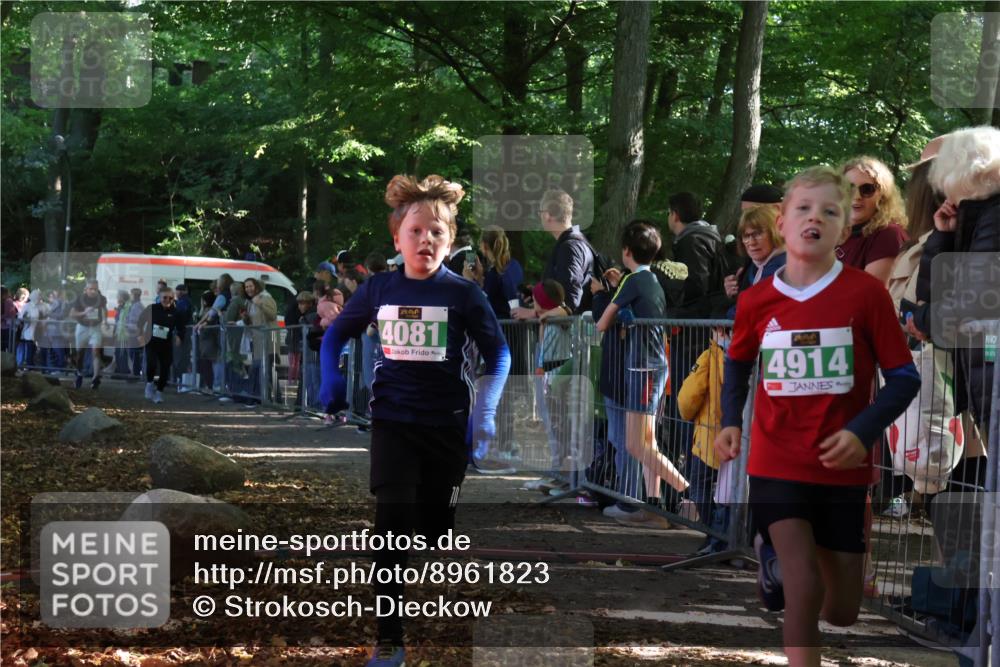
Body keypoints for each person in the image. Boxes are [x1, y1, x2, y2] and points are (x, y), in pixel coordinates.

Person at [715, 166, 920, 666]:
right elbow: (738, 363)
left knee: (844, 609)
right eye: (803, 210)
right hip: (775, 459)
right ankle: (782, 569)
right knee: (802, 585)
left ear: (844, 229)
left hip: (842, 468)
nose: (815, 219)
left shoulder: (866, 295)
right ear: (782, 222)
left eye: (830, 211)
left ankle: (775, 566)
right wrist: (730, 421)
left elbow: (904, 378)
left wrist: (861, 431)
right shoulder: (756, 299)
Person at [319, 174, 509, 667]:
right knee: (391, 526)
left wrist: (484, 415)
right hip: (393, 424)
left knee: (432, 531)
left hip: (446, 427)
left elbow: (499, 353)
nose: (426, 240)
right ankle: (390, 638)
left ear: (450, 241)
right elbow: (335, 334)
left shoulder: (465, 295)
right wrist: (331, 381)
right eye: (417, 231)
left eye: (437, 233)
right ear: (398, 238)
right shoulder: (379, 287)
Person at [596, 221, 689, 527]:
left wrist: (612, 303)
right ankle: (653, 509)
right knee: (647, 442)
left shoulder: (633, 281)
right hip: (653, 365)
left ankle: (691, 495)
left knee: (637, 445)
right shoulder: (651, 281)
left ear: (626, 251)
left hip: (643, 368)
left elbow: (602, 323)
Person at [514, 188, 594, 317]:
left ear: (547, 215)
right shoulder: (578, 242)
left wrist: (533, 313)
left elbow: (570, 301)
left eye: (540, 212)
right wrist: (539, 295)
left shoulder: (569, 248)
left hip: (568, 333)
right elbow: (564, 289)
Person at [837, 156, 908, 284]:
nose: (857, 196)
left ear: (882, 195)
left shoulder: (888, 234)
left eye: (867, 189)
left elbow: (868, 296)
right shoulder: (832, 232)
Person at [723, 205, 787, 318]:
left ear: (774, 233)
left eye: (757, 234)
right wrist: (733, 295)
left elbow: (752, 308)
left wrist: (724, 319)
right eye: (746, 235)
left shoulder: (782, 266)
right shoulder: (755, 265)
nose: (751, 242)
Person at [140, 285, 182, 404]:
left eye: (170, 298)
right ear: (159, 297)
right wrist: (139, 335)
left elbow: (180, 327)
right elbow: (140, 321)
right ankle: (149, 383)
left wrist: (179, 336)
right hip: (151, 341)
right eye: (165, 298)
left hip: (166, 344)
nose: (167, 300)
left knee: (165, 367)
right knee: (152, 363)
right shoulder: (152, 308)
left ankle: (159, 393)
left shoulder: (176, 312)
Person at [70, 280, 108, 389]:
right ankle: (79, 373)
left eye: (95, 289)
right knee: (80, 354)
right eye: (91, 289)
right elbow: (72, 314)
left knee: (96, 351)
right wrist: (84, 312)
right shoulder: (80, 299)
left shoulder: (101, 299)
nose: (93, 291)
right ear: (86, 289)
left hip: (95, 328)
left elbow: (104, 309)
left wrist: (105, 321)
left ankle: (95, 378)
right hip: (82, 327)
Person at [1, 286, 16, 352]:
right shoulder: (7, 301)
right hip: (4, 327)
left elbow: (8, 314)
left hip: (7, 327)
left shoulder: (8, 301)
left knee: (6, 346)